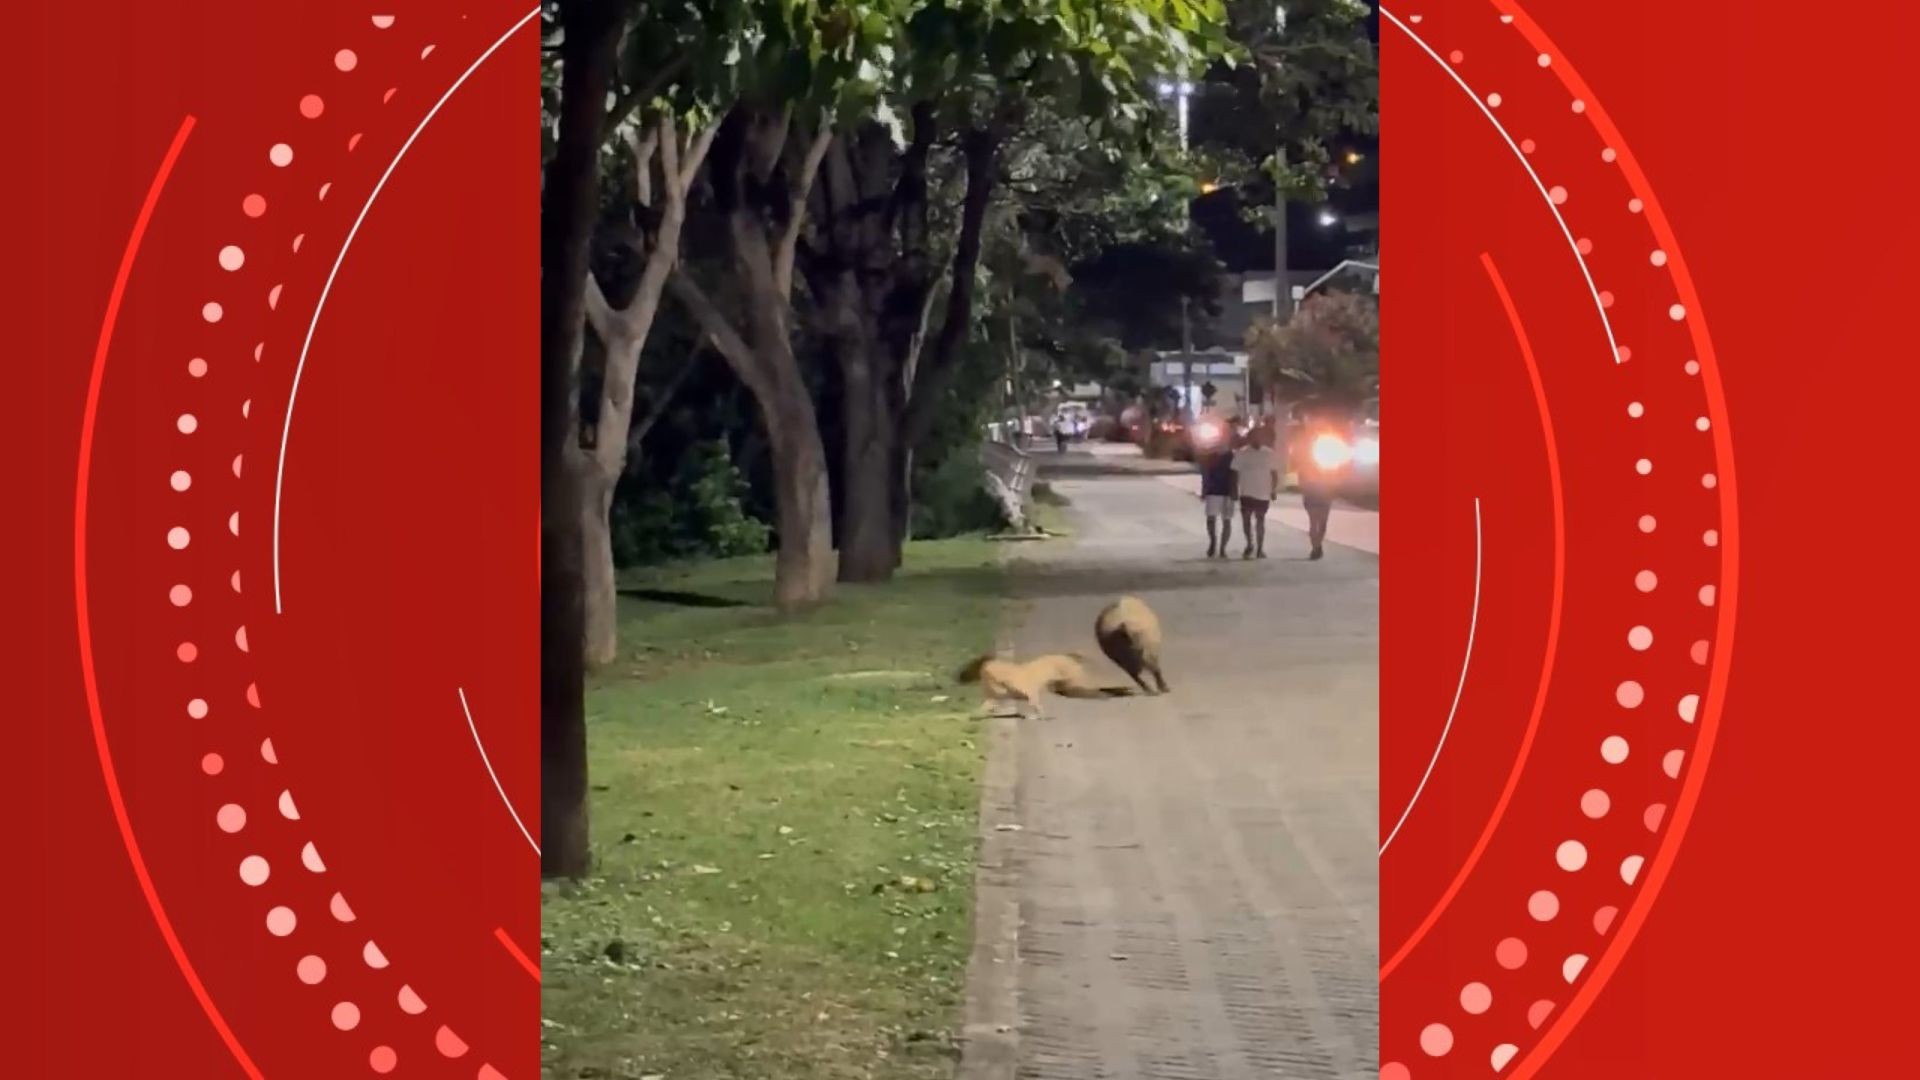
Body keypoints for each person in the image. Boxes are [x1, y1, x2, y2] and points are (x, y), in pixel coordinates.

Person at [1292, 409, 1352, 561]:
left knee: (1322, 522)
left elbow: (1337, 466)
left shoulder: (1326, 445)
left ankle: (1317, 545)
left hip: (1324, 488)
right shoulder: (1307, 448)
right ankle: (1316, 547)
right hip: (1313, 488)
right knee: (1315, 520)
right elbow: (1301, 469)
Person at [1230, 429, 1282, 559]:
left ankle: (1260, 548)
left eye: (1260, 437)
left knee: (1260, 520)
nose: (1257, 440)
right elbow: (1234, 472)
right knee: (1246, 520)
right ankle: (1249, 544)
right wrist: (1234, 490)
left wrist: (1273, 490)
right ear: (1249, 439)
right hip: (1246, 492)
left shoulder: (1269, 454)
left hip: (1263, 492)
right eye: (1254, 437)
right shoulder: (1242, 453)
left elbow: (1274, 473)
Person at [1198, 439, 1237, 559]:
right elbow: (1205, 473)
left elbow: (1235, 474)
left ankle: (1222, 548)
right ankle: (1213, 543)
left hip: (1227, 491)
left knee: (1226, 520)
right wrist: (1204, 489)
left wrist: (1234, 490)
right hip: (1214, 490)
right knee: (1212, 519)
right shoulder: (1210, 456)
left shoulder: (1232, 456)